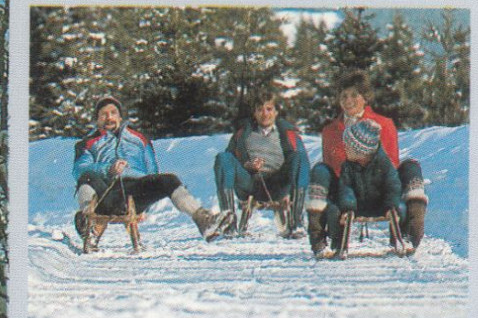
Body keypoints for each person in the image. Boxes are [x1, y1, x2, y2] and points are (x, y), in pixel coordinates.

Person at [72, 96, 224, 248]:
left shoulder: (139, 139)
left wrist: (146, 207)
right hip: (106, 192)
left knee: (168, 179)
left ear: (120, 116)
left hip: (136, 189)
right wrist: (108, 169)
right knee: (87, 177)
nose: (109, 117)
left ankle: (203, 220)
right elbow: (80, 169)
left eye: (113, 113)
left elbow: (152, 171)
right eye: (104, 114)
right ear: (97, 119)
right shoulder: (87, 143)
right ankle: (88, 225)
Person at [307, 70, 426, 257]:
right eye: (344, 96)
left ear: (365, 97)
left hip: (380, 191)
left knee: (411, 166)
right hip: (345, 194)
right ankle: (319, 241)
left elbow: (391, 165)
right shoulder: (330, 131)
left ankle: (409, 234)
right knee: (320, 170)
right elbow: (332, 168)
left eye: (354, 95)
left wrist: (389, 200)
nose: (348, 100)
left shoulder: (383, 124)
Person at [213, 89, 311, 236]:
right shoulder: (242, 133)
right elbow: (229, 160)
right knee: (222, 158)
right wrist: (247, 165)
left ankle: (296, 223)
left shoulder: (288, 134)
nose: (265, 114)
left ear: (276, 112)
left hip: (278, 183)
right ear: (254, 113)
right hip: (250, 182)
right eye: (260, 110)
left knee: (300, 157)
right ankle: (229, 223)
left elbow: (301, 163)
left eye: (269, 109)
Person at [321, 119, 405, 257]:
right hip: (356, 206)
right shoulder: (347, 166)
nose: (345, 148)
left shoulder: (384, 164)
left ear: (361, 150)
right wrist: (348, 207)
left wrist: (390, 206)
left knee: (402, 208)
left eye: (348, 146)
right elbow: (345, 187)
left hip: (381, 206)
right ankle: (337, 243)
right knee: (333, 209)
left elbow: (393, 185)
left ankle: (402, 239)